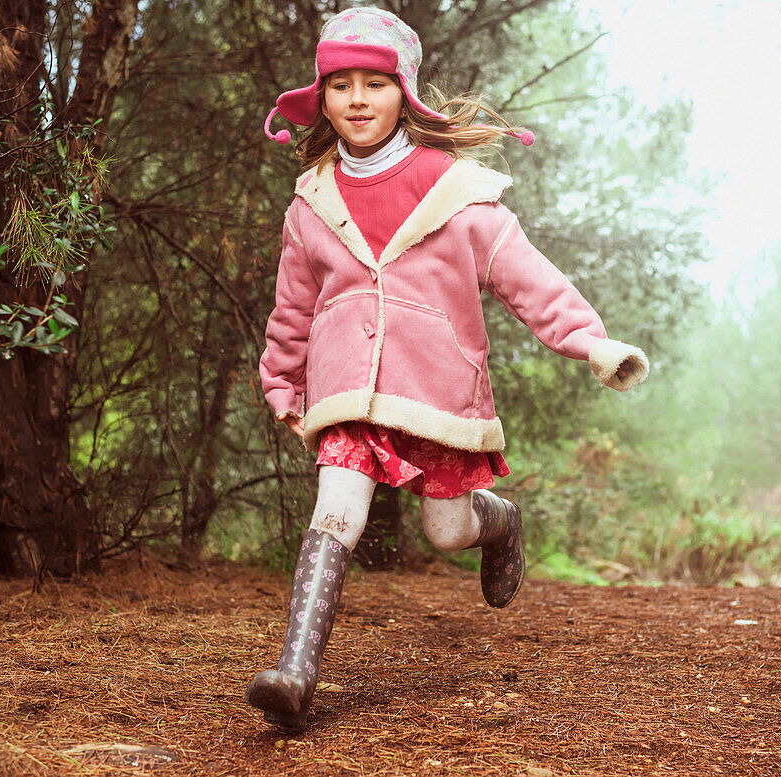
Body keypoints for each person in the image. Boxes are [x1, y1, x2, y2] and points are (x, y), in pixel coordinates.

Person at [249, 7, 649, 732]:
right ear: (323, 97)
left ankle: (497, 523)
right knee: (337, 506)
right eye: (342, 86)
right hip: (347, 392)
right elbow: (292, 307)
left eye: (375, 83)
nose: (359, 101)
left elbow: (528, 279)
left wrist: (593, 343)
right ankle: (295, 673)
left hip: (438, 391)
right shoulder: (311, 201)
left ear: (405, 91)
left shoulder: (458, 193)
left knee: (445, 531)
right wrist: (283, 382)